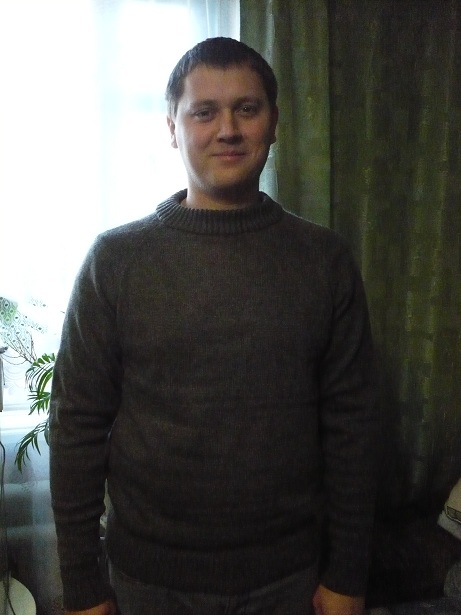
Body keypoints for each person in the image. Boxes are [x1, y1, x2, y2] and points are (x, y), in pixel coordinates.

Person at [49, 37, 378, 615]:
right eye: (204, 112)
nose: (228, 129)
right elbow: (75, 427)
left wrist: (348, 574)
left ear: (274, 123)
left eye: (246, 109)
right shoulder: (115, 261)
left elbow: (353, 427)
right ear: (172, 128)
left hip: (288, 579)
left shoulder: (324, 261)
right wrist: (82, 584)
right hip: (148, 581)